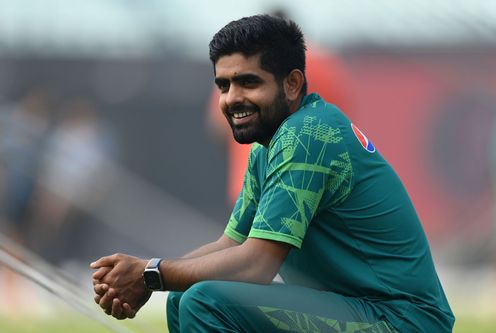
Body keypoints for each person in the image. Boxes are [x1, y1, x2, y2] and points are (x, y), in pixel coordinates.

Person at [91, 15, 455, 332]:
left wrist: (150, 274)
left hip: (400, 320)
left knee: (206, 300)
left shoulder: (307, 133)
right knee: (185, 296)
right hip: (359, 308)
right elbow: (231, 244)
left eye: (248, 82)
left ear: (293, 84)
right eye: (223, 85)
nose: (231, 98)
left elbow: (256, 265)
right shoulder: (267, 146)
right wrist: (149, 278)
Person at [207, 11, 352, 206]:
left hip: (253, 184)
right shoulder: (324, 66)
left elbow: (217, 126)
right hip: (313, 185)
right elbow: (341, 126)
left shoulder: (240, 65)